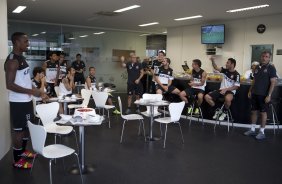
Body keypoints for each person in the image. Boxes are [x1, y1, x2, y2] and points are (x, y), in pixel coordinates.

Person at [5, 32, 47, 169]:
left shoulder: (21, 57)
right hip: (18, 103)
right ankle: (17, 160)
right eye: (25, 41)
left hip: (27, 101)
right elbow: (9, 85)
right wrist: (32, 91)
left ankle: (23, 152)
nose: (28, 44)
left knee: (26, 128)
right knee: (18, 131)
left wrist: (37, 92)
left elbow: (24, 81)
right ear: (17, 42)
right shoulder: (12, 60)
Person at [244, 51, 277, 140]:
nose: (264, 58)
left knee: (263, 113)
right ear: (261, 57)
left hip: (263, 95)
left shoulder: (271, 68)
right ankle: (252, 129)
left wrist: (269, 95)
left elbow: (273, 82)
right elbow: (254, 80)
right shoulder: (257, 67)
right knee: (253, 112)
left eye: (266, 56)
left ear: (269, 58)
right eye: (263, 56)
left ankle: (262, 132)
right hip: (254, 93)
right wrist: (250, 90)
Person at [204, 57, 240, 121]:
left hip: (230, 91)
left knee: (228, 99)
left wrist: (226, 89)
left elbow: (236, 87)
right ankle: (218, 110)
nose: (226, 64)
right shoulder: (224, 70)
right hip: (221, 90)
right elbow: (215, 67)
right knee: (207, 97)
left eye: (228, 63)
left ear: (232, 64)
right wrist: (213, 60)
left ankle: (225, 112)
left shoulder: (237, 75)